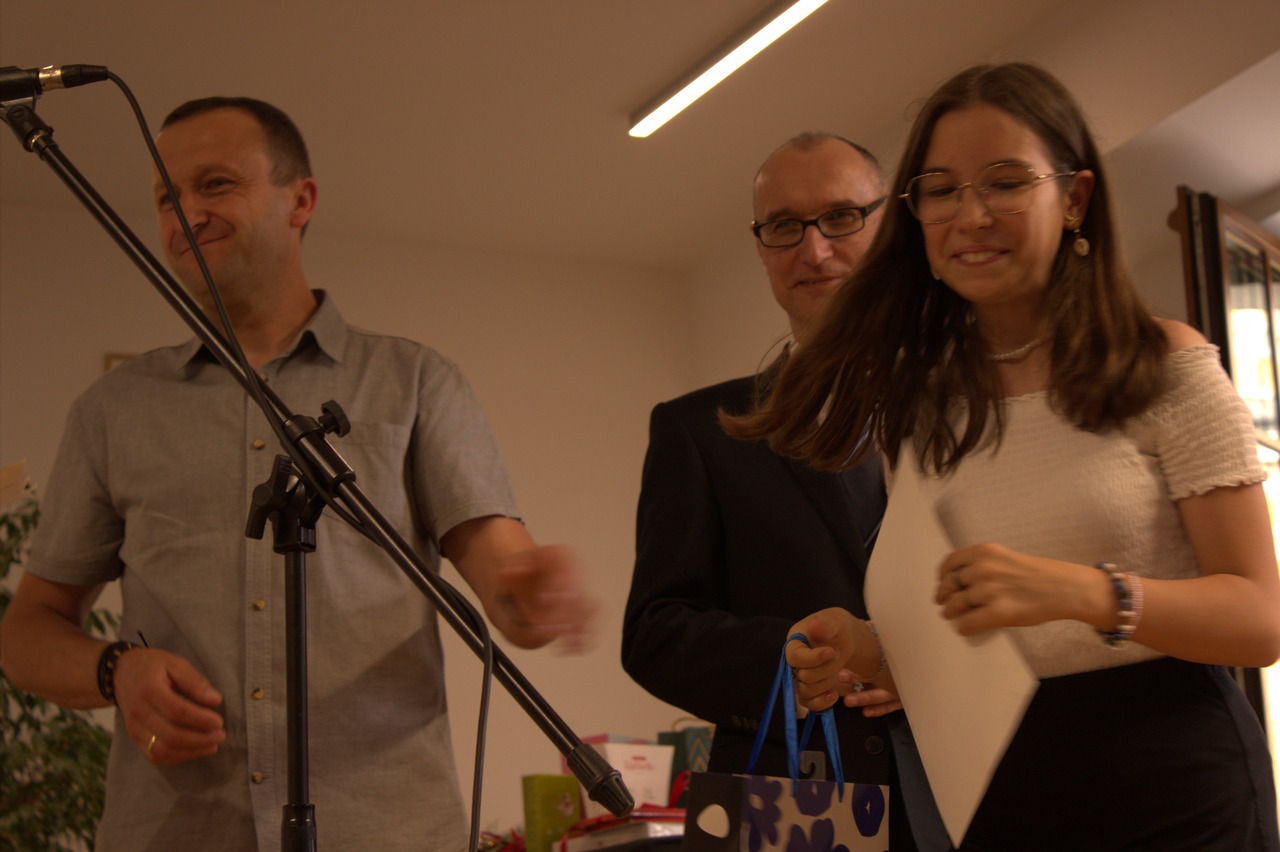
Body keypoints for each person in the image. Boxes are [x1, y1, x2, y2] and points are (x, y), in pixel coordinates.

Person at [0, 97, 594, 852]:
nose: (187, 214)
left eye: (215, 184)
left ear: (300, 200)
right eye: (166, 197)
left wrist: (537, 591)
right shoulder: (112, 409)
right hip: (178, 833)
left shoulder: (414, 381)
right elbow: (28, 633)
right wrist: (114, 668)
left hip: (387, 831)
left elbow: (506, 586)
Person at [727, 63, 1280, 851]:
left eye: (1006, 182)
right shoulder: (918, 401)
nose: (970, 215)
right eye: (942, 190)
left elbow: (1261, 620)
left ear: (1075, 198)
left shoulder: (1163, 364)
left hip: (1173, 783)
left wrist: (1086, 592)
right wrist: (869, 648)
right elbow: (959, 639)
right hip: (995, 787)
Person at [622, 133, 929, 849]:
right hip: (795, 802)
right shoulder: (699, 429)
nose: (814, 250)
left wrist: (919, 661)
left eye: (841, 217)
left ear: (890, 226)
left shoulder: (975, 403)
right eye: (785, 226)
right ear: (761, 248)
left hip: (975, 786)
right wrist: (793, 659)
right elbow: (656, 632)